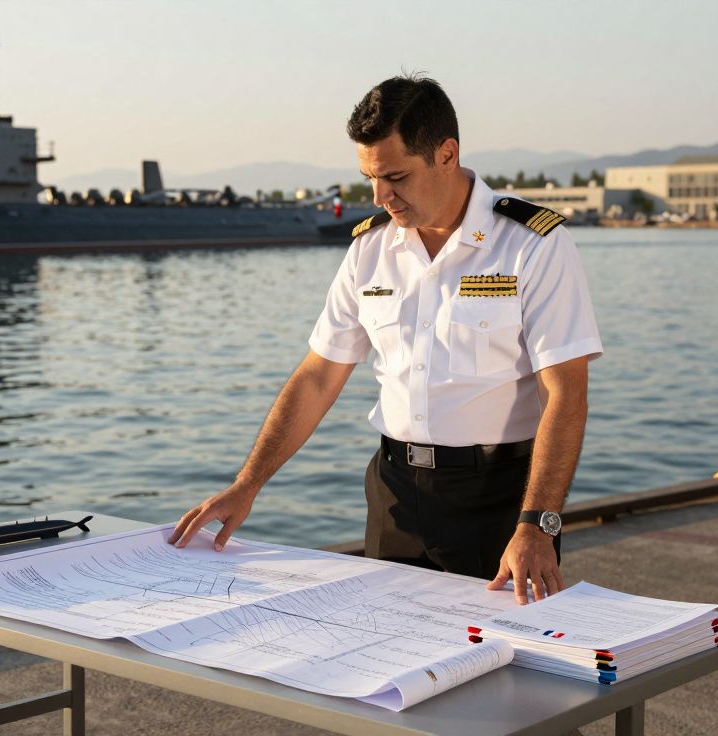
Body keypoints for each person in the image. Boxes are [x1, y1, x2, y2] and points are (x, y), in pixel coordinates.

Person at [168, 74, 602, 605]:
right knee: (387, 657)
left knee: (503, 668)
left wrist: (539, 523)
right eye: (369, 178)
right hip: (394, 491)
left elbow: (565, 394)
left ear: (447, 154)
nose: (379, 196)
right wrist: (248, 483)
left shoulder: (531, 244)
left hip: (499, 497)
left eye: (395, 176)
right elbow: (318, 376)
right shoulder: (369, 248)